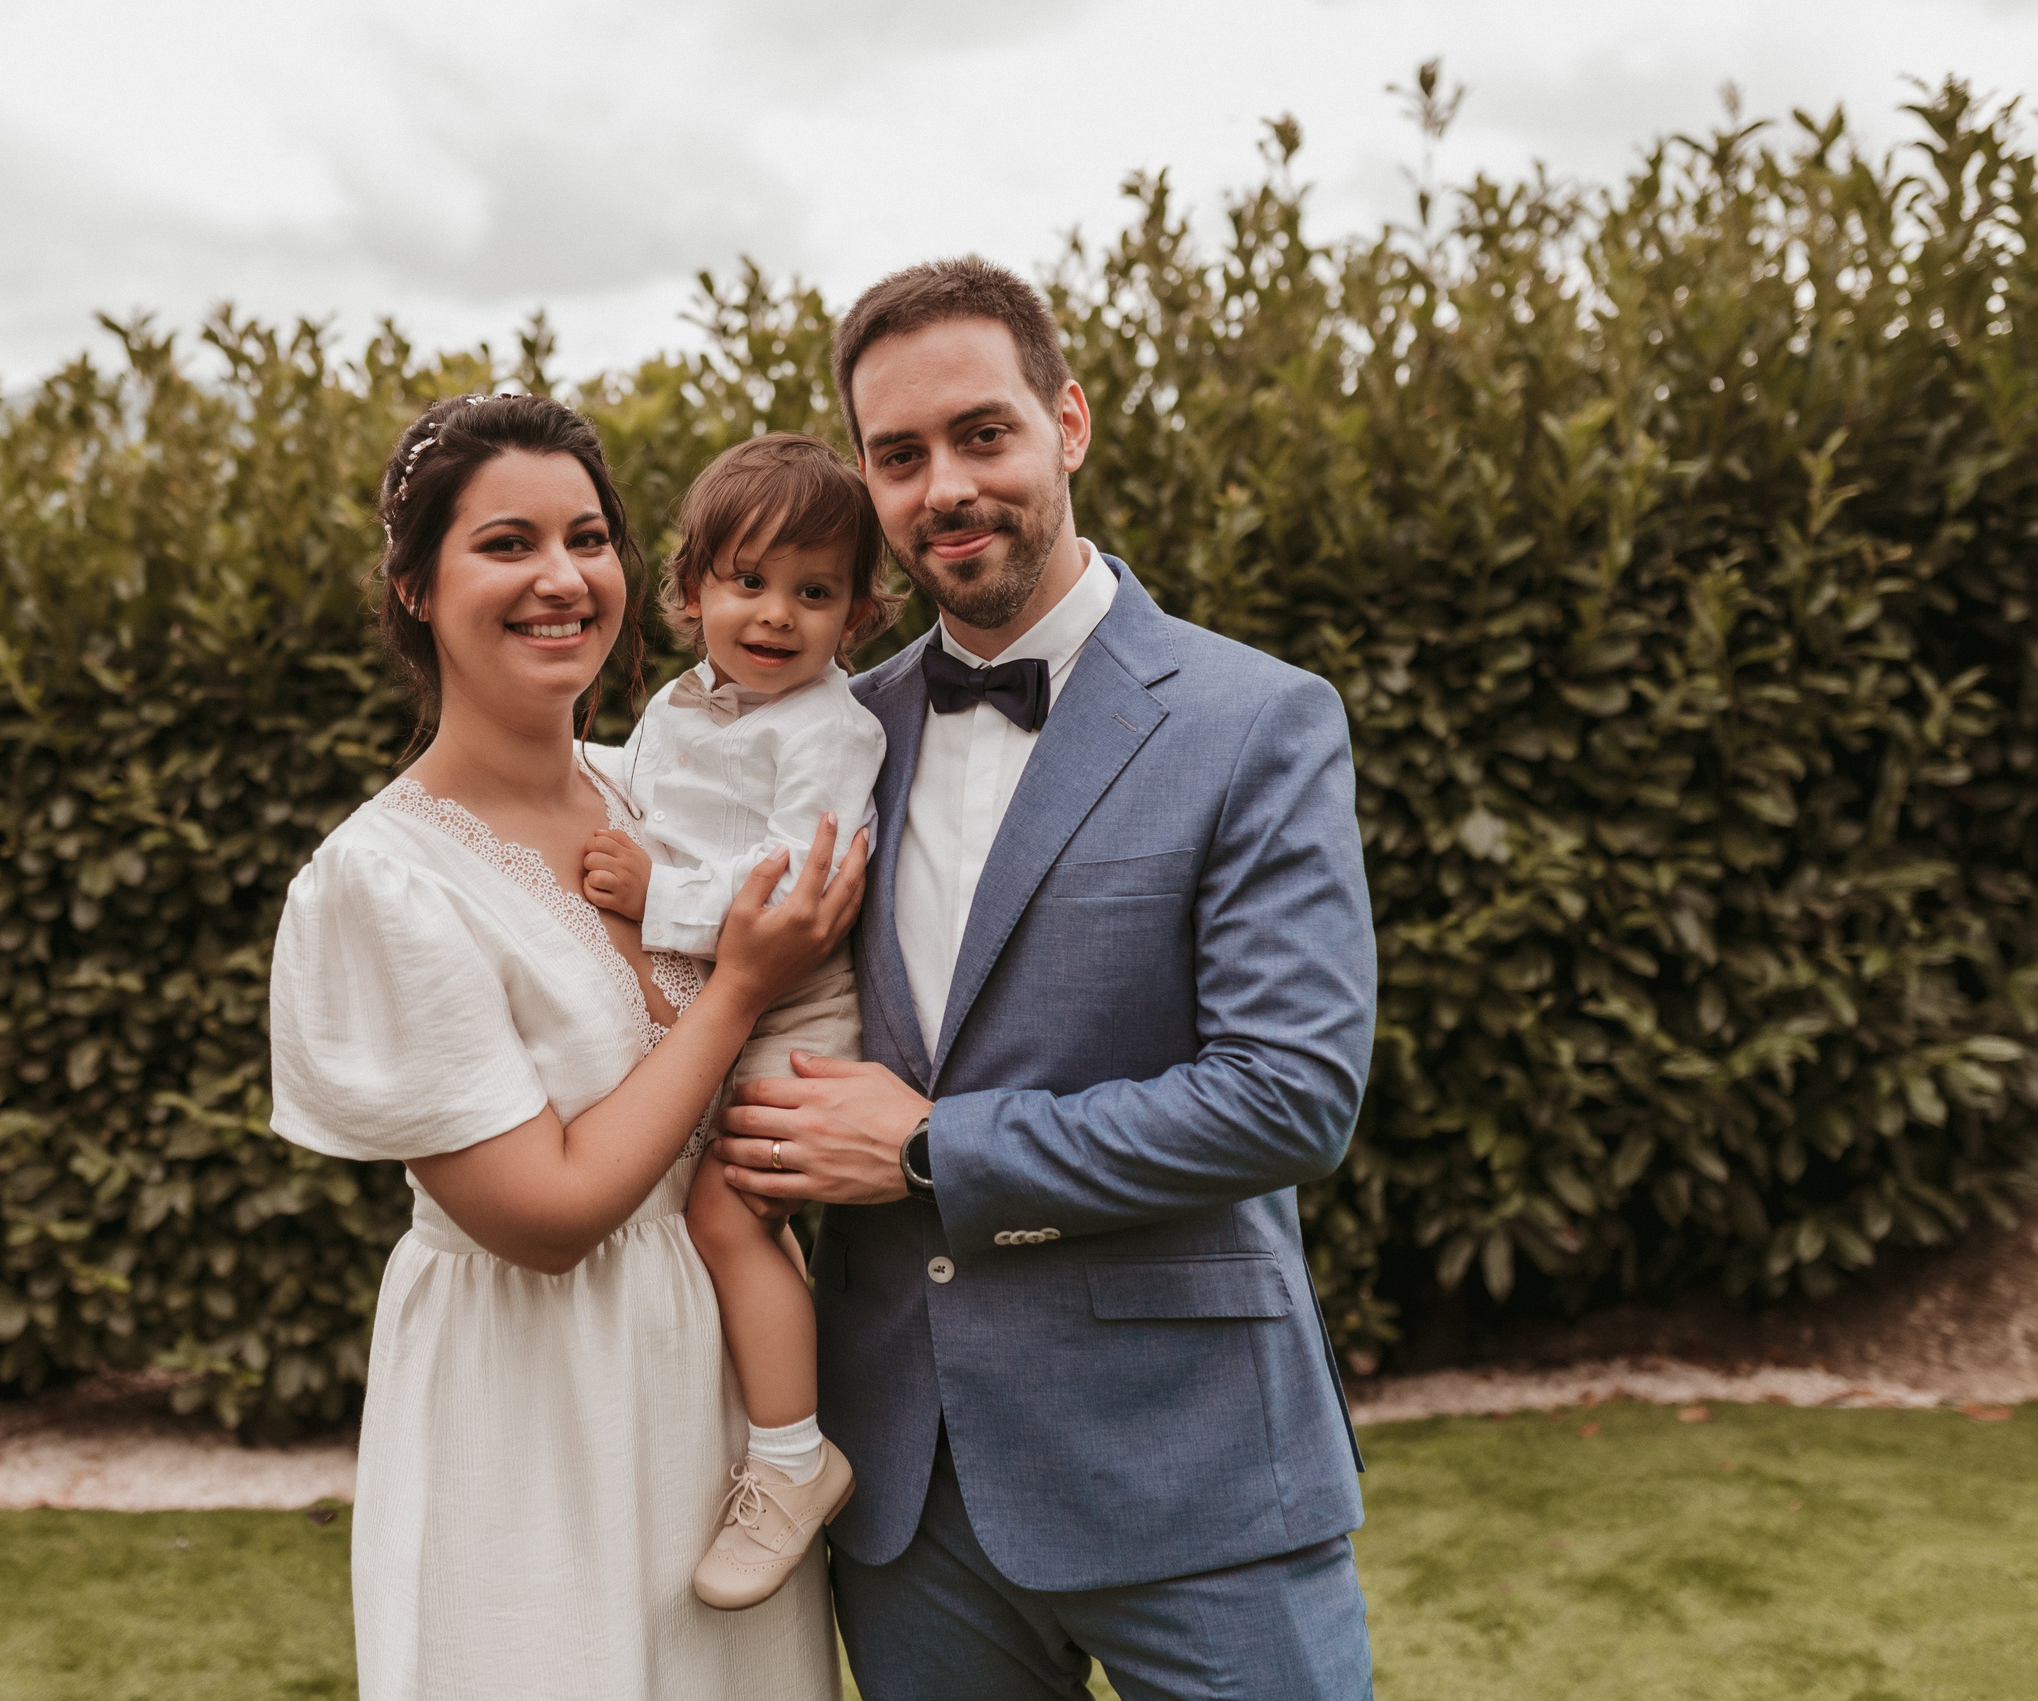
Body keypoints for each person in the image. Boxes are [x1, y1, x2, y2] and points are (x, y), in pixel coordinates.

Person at [714, 258, 1380, 1699]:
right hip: (909, 1491)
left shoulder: (1257, 720)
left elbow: (1289, 1096)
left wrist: (929, 1148)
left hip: (1196, 1469)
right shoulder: (830, 734)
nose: (945, 486)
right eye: (900, 455)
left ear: (1066, 422)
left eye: (982, 434)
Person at [268, 393, 860, 1701]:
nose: (561, 577)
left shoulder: (660, 795)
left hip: (720, 1405)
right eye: (506, 543)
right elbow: (543, 1216)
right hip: (533, 1403)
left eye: (587, 538)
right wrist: (738, 987)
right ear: (416, 586)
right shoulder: (382, 881)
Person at [576, 432, 900, 1610]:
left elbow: (797, 887)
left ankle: (791, 1459)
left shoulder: (832, 729)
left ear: (855, 614)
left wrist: (654, 893)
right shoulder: (673, 706)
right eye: (748, 581)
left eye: (813, 592)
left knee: (725, 1212)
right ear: (691, 588)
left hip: (795, 1012)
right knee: (675, 1198)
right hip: (714, 996)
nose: (774, 614)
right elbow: (639, 794)